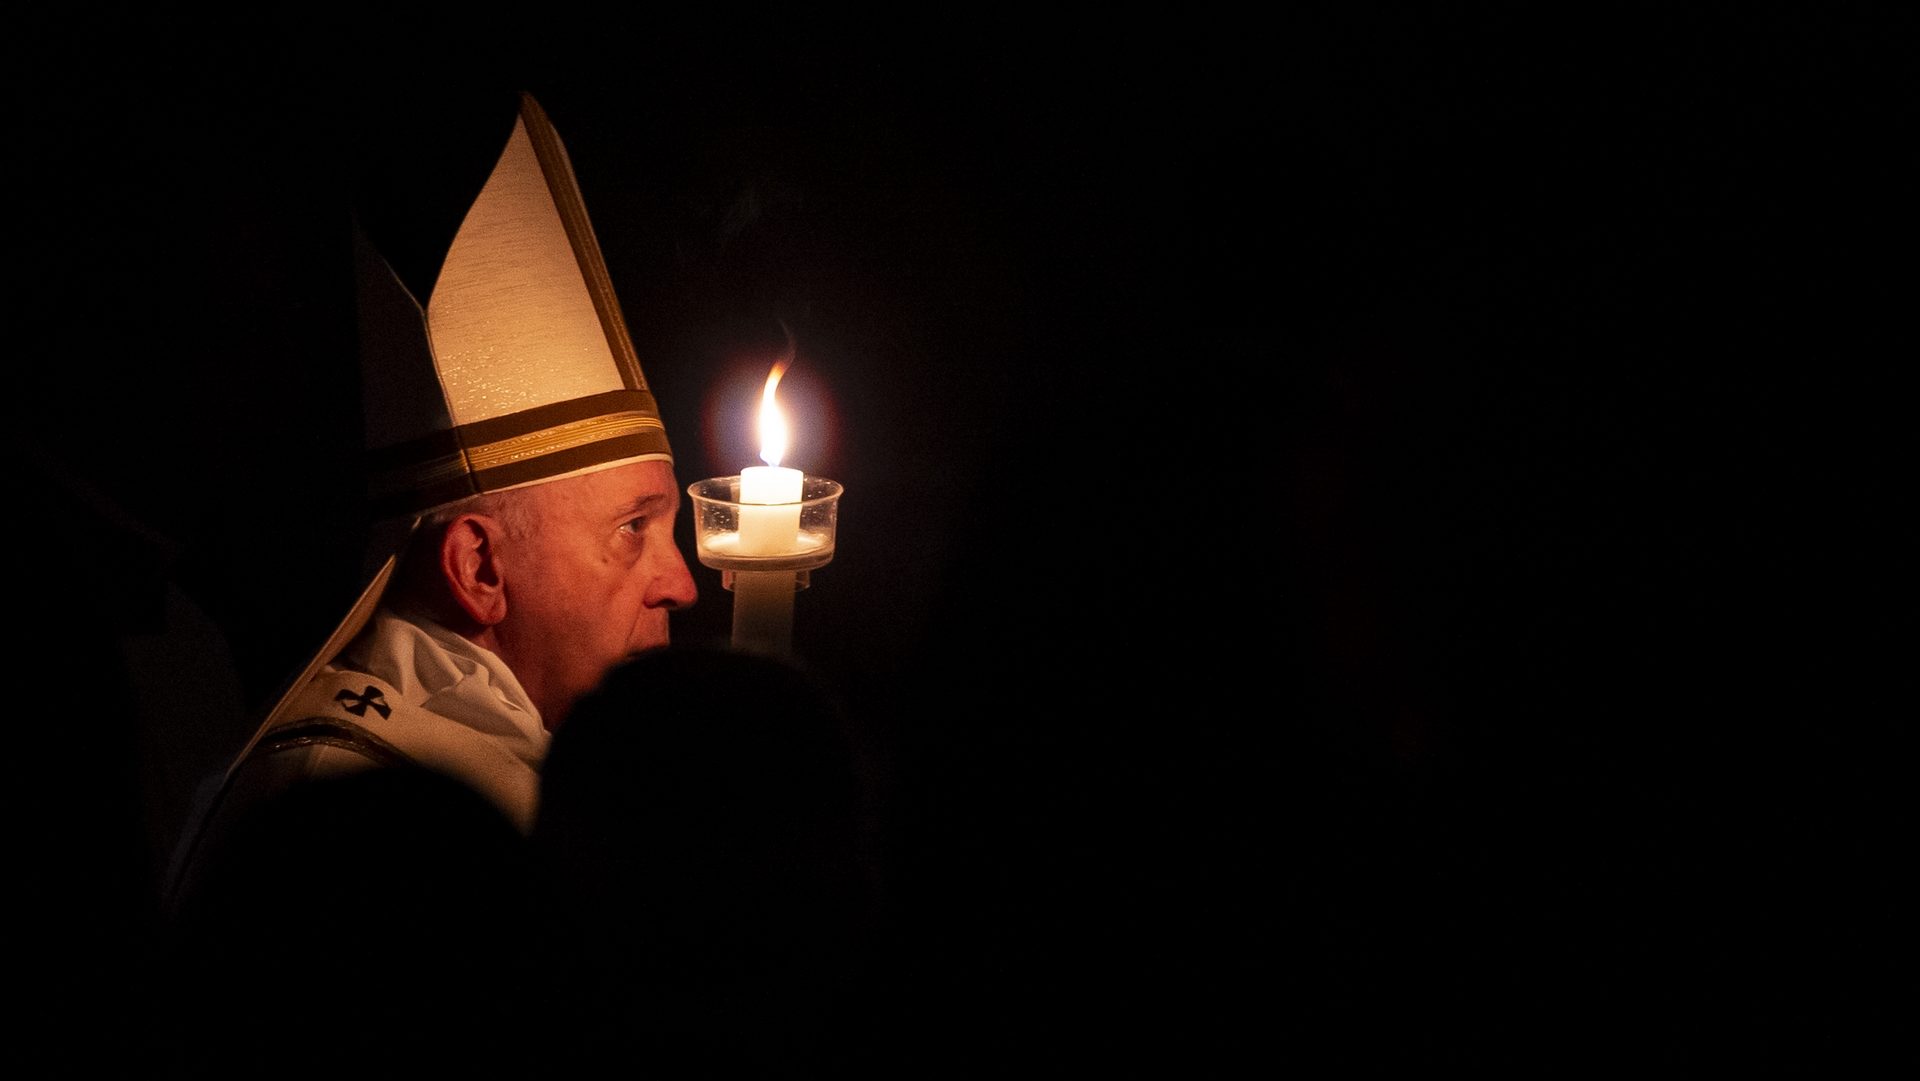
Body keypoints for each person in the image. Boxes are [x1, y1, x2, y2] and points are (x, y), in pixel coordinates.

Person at [164, 89, 697, 915]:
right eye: (634, 528)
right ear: (479, 565)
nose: (683, 581)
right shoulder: (360, 826)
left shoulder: (548, 774)